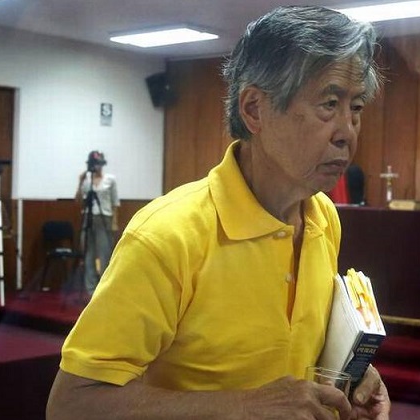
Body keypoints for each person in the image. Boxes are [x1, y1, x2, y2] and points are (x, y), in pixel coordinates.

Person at [47, 6, 390, 420]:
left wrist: (352, 377)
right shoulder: (168, 236)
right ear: (254, 109)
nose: (347, 132)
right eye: (329, 104)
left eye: (356, 108)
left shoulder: (323, 217)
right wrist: (243, 406)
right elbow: (71, 403)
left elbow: (296, 359)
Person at [76, 150, 120, 293]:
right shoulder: (87, 181)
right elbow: (78, 200)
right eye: (94, 164)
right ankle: (91, 290)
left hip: (104, 218)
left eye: (99, 163)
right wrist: (80, 182)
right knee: (89, 255)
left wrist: (114, 223)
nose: (97, 166)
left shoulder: (110, 179)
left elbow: (114, 203)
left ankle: (104, 289)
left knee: (104, 254)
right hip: (88, 218)